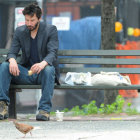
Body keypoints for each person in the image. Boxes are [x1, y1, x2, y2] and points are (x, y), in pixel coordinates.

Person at [0, 3, 59, 121]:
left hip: (42, 73)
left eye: (32, 20)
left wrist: (43, 63)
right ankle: (2, 106)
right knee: (5, 66)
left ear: (39, 18)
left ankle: (44, 110)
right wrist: (12, 60)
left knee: (49, 68)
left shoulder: (50, 30)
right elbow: (12, 52)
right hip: (26, 73)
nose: (29, 23)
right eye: (27, 20)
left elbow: (52, 52)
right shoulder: (20, 31)